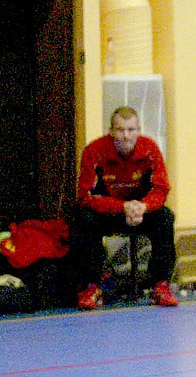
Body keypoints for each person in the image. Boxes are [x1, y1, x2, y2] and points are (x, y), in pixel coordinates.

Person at [72, 106, 178, 309]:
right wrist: (123, 207)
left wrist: (143, 207)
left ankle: (160, 285)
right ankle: (91, 287)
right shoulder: (94, 151)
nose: (126, 136)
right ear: (111, 131)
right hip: (109, 213)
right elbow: (86, 196)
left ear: (139, 130)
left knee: (165, 217)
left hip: (140, 212)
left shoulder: (150, 149)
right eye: (120, 130)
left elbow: (162, 188)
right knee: (83, 218)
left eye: (131, 130)